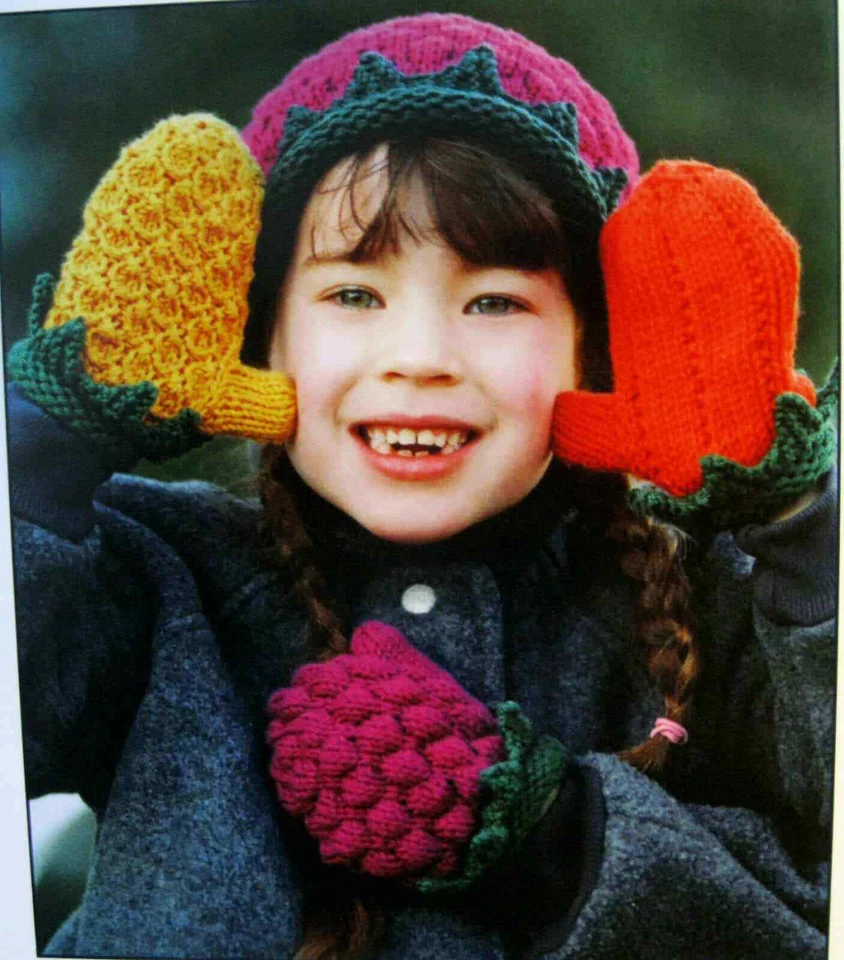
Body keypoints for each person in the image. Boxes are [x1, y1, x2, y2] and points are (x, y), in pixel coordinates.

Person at [6, 12, 837, 960]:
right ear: (260, 335)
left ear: (593, 351)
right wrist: (52, 434)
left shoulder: (713, 606)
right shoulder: (152, 576)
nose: (420, 358)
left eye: (495, 301)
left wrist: (556, 842)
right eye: (354, 295)